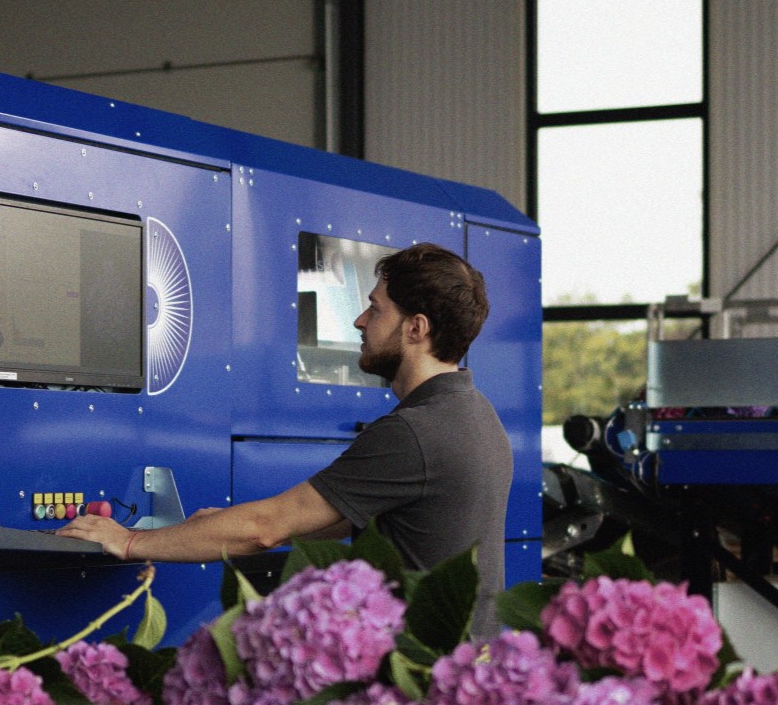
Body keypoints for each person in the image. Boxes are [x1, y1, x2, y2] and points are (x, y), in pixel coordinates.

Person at [61, 241, 513, 635]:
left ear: (416, 328)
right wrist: (219, 525)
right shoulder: (476, 415)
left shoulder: (414, 433)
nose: (359, 321)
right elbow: (360, 516)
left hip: (416, 684)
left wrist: (129, 541)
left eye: (376, 309)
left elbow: (265, 529)